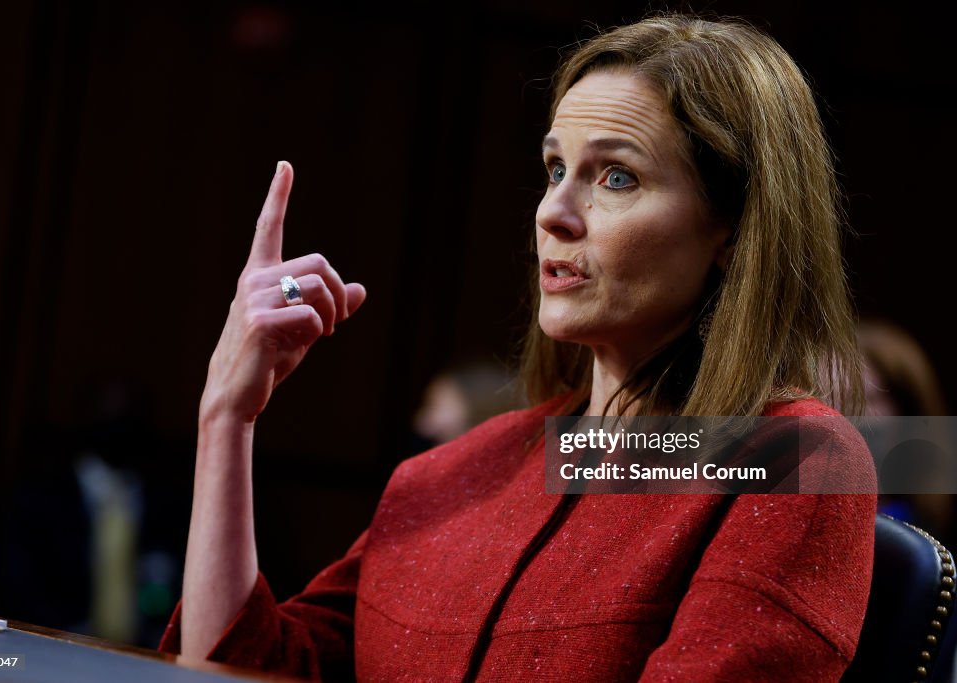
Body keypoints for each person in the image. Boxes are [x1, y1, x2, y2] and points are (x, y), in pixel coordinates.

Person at [160, 14, 876, 681]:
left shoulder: (799, 461)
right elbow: (243, 669)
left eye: (615, 176)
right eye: (555, 168)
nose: (552, 212)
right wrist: (227, 416)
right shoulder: (445, 475)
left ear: (735, 230)